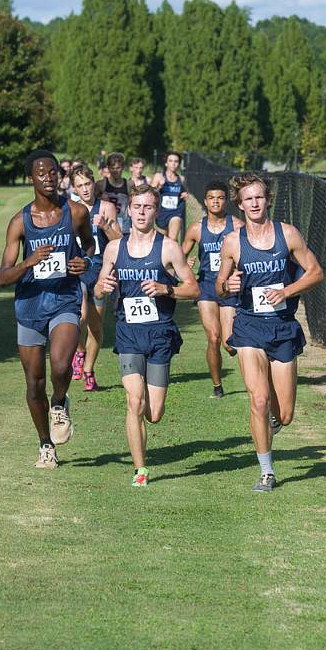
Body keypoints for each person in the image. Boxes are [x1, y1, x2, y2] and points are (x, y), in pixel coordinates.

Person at [216, 173, 323, 493]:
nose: (254, 203)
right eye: (248, 199)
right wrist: (228, 285)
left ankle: (272, 425)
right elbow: (220, 286)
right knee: (259, 400)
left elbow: (316, 272)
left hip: (282, 327)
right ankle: (266, 470)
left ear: (268, 200)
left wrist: (288, 291)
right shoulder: (233, 242)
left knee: (285, 414)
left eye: (259, 197)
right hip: (248, 325)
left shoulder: (287, 234)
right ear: (240, 203)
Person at [93, 183, 199, 487]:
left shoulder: (167, 247)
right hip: (128, 333)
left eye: (148, 207)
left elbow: (193, 288)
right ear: (129, 210)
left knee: (153, 413)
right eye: (137, 206)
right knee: (134, 401)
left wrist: (167, 289)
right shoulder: (115, 248)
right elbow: (99, 287)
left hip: (159, 334)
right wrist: (104, 288)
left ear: (156, 210)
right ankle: (140, 469)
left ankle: (144, 445)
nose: (141, 212)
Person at [0, 150, 96, 470]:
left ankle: (59, 403)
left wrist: (86, 262)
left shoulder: (77, 213)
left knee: (61, 364)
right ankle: (45, 445)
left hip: (64, 300)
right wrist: (29, 261)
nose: (49, 177)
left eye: (54, 172)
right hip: (29, 306)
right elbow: (2, 277)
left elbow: (90, 245)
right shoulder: (20, 222)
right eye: (42, 173)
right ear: (31, 179)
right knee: (34, 383)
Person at [182, 180, 242, 399]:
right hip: (206, 285)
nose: (216, 202)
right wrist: (184, 264)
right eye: (211, 198)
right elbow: (178, 256)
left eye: (220, 197)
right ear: (205, 201)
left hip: (228, 286)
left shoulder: (236, 226)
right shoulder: (197, 228)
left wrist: (237, 273)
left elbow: (248, 254)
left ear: (226, 201)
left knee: (228, 342)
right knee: (214, 337)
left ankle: (248, 362)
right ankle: (217, 385)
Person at [70, 165, 121, 392]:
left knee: (96, 327)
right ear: (74, 188)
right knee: (79, 316)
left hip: (101, 269)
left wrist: (105, 226)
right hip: (79, 267)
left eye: (87, 184)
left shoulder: (107, 207)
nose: (85, 189)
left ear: (94, 183)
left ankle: (89, 370)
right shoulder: (69, 209)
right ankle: (79, 350)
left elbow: (119, 240)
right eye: (80, 185)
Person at [150, 152, 188, 242]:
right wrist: (159, 187)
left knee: (172, 239)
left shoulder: (181, 179)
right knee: (161, 241)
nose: (173, 163)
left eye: (176, 161)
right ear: (166, 163)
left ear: (179, 164)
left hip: (176, 212)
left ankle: (175, 254)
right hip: (162, 212)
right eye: (170, 161)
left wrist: (185, 194)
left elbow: (184, 192)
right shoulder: (159, 176)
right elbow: (150, 194)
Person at [96, 152, 130, 233]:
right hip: (107, 226)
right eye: (112, 168)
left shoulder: (129, 184)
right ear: (108, 168)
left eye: (118, 168)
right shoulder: (101, 184)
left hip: (124, 227)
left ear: (123, 168)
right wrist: (100, 197)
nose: (115, 171)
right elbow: (93, 203)